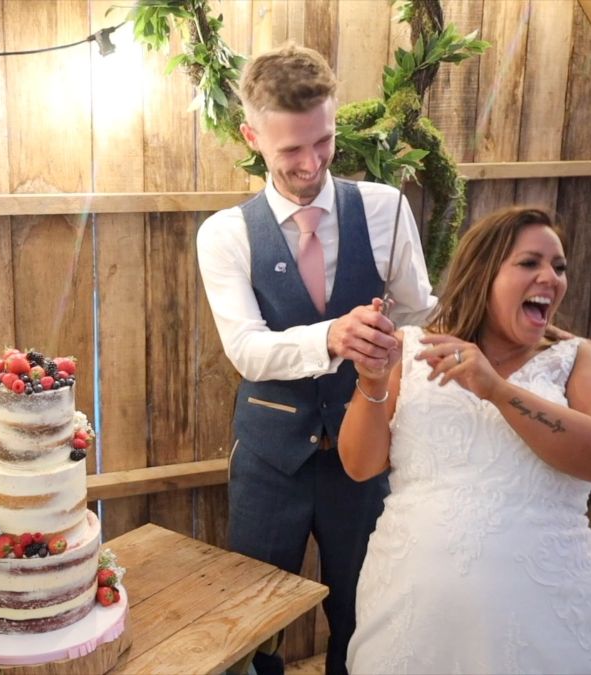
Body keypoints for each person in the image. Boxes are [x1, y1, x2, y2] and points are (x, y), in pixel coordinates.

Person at [196, 42, 436, 675]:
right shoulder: (223, 234)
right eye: (290, 150)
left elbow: (418, 313)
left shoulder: (384, 209)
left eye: (322, 141)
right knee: (252, 622)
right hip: (270, 459)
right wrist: (333, 338)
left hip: (365, 459)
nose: (311, 163)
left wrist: (390, 357)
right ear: (252, 135)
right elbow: (246, 350)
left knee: (364, 614)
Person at [340, 206, 591, 673]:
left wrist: (498, 392)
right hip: (411, 608)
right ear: (483, 273)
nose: (551, 278)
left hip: (552, 613)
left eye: (558, 267)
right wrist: (373, 381)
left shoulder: (577, 358)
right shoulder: (414, 348)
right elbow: (360, 465)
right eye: (530, 263)